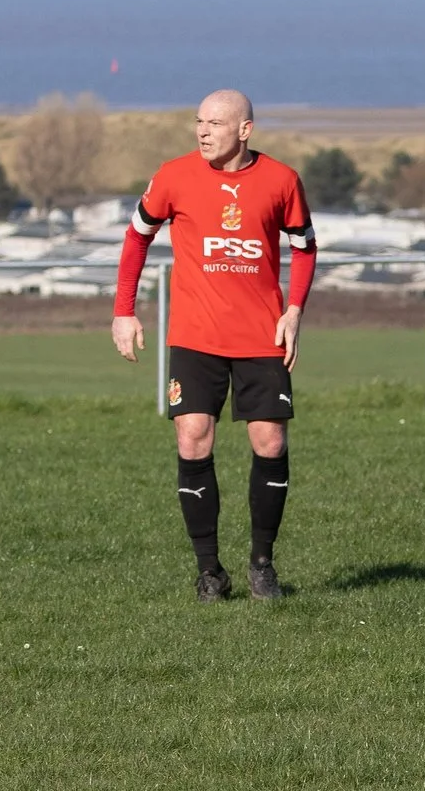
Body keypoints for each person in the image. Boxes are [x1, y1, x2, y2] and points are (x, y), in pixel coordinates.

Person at [111, 90, 317, 602]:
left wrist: (294, 311)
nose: (202, 131)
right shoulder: (174, 176)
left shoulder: (282, 180)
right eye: (198, 121)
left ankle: (262, 565)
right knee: (193, 438)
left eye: (215, 123)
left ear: (244, 130)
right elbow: (137, 237)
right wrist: (123, 310)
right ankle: (209, 573)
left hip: (261, 336)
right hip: (195, 335)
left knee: (270, 443)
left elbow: (305, 247)